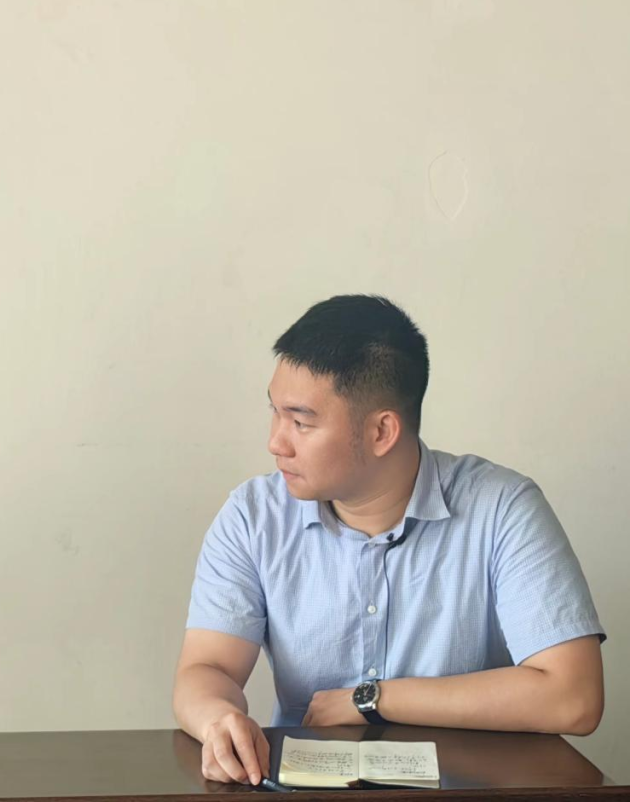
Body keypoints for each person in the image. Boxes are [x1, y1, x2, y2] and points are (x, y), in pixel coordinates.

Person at [172, 295, 605, 787]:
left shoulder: (502, 508)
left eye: (301, 422)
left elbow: (574, 698)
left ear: (382, 431)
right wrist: (218, 718)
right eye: (275, 412)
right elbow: (207, 668)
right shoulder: (253, 517)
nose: (276, 441)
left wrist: (372, 699)